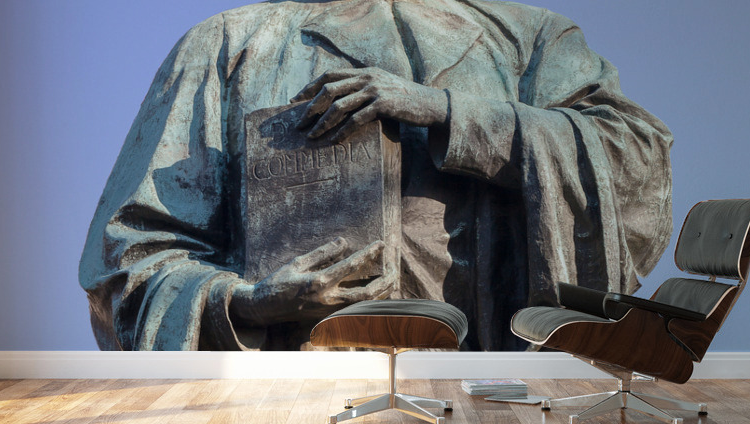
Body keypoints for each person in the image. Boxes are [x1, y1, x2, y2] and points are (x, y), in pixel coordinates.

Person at [79, 0, 673, 351]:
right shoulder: (224, 46)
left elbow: (637, 161)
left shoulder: (531, 38)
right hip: (290, 384)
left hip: (487, 366)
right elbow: (126, 264)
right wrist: (248, 304)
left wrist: (448, 113)